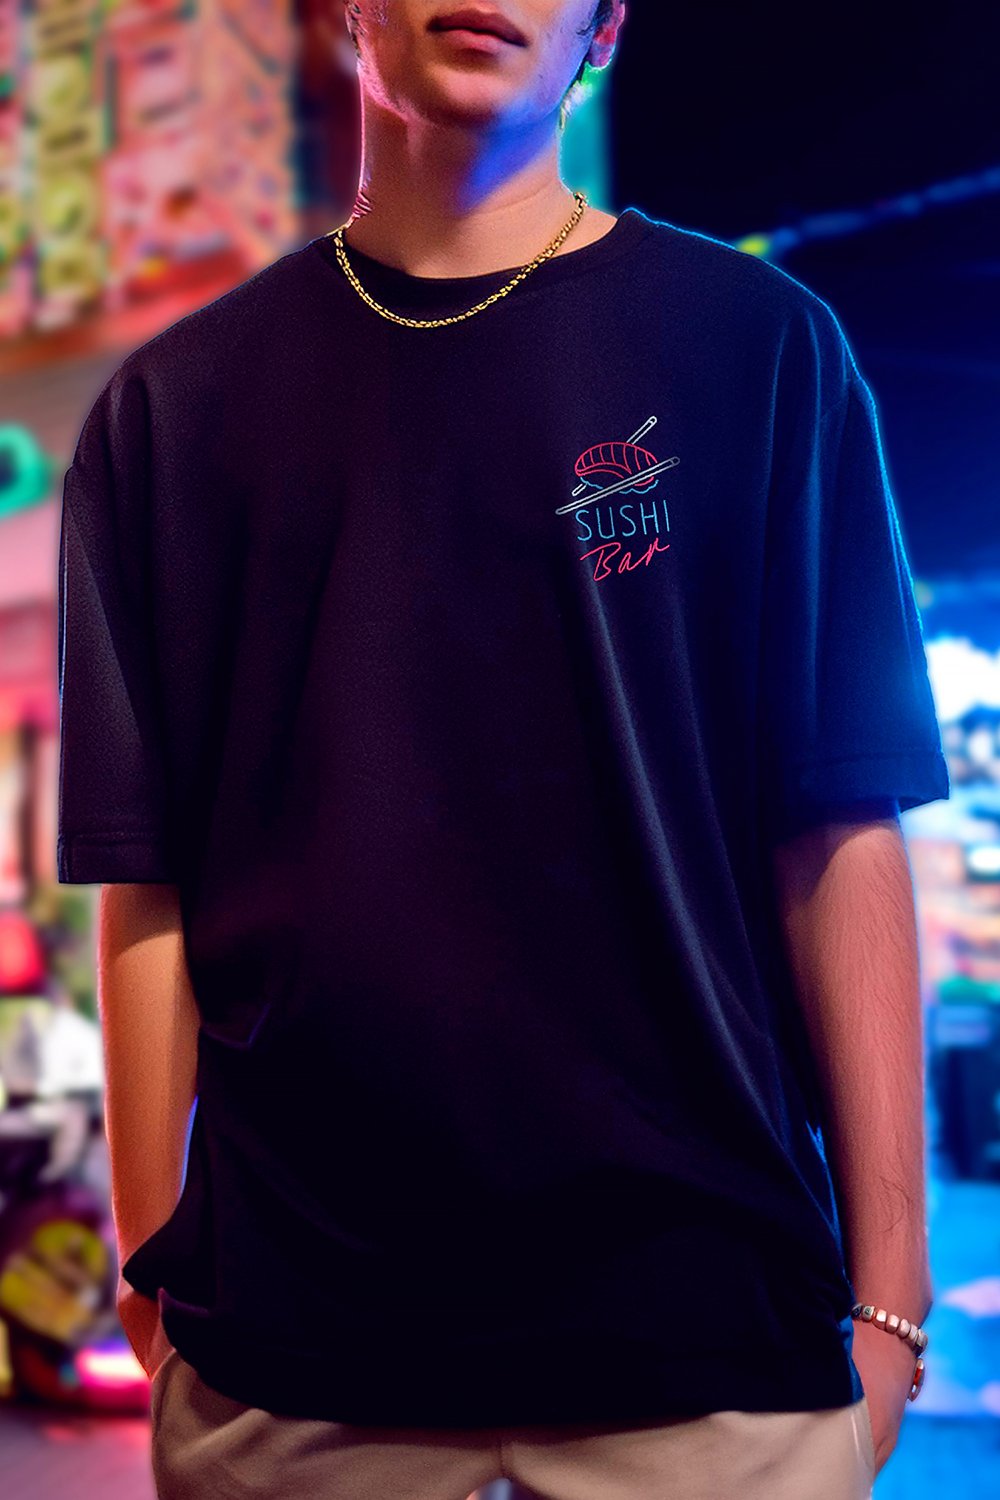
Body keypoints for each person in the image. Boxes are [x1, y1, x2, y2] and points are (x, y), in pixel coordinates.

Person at [55, 2, 950, 1496]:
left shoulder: (759, 350)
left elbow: (842, 819)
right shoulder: (174, 408)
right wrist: (156, 1273)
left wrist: (892, 1301)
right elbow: (147, 877)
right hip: (296, 1348)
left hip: (708, 1329)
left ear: (603, 25)